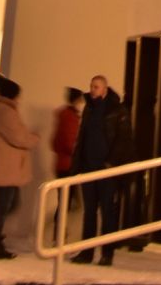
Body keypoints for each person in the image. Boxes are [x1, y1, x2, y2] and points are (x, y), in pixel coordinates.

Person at [71, 73, 135, 264]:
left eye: (96, 87)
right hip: (90, 168)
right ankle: (87, 252)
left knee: (108, 212)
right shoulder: (89, 109)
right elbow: (82, 137)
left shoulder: (117, 110)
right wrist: (78, 164)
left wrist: (110, 163)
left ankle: (107, 253)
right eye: (91, 86)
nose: (92, 90)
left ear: (105, 89)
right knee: (89, 211)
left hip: (107, 170)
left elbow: (123, 139)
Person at [0, 73, 40, 260]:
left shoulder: (3, 110)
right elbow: (19, 137)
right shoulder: (6, 112)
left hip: (6, 169)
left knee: (7, 205)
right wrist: (35, 138)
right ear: (12, 95)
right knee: (2, 208)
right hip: (5, 170)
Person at [51, 86, 86, 232]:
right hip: (69, 165)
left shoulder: (63, 116)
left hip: (61, 164)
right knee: (68, 202)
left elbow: (54, 142)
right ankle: (59, 232)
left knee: (64, 201)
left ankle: (59, 231)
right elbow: (70, 143)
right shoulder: (70, 117)